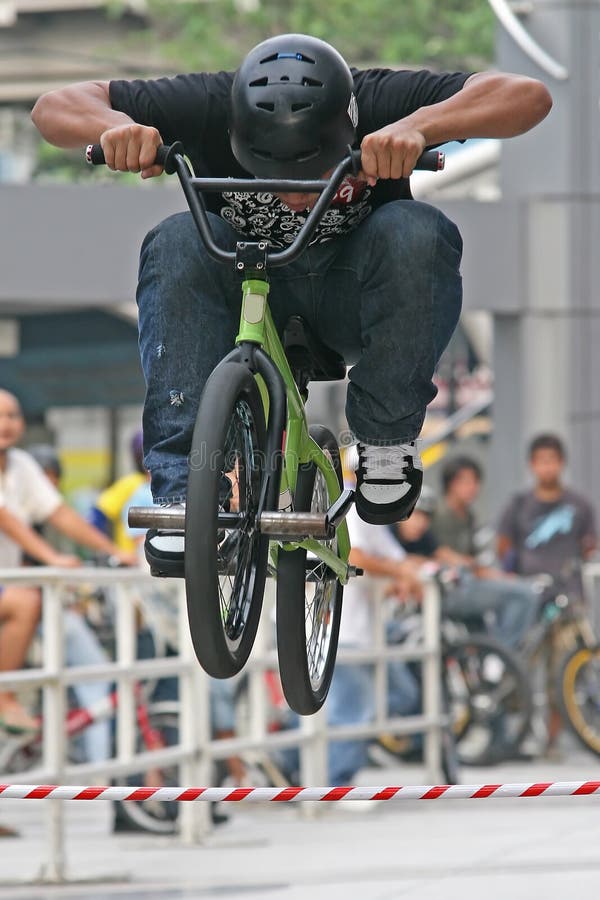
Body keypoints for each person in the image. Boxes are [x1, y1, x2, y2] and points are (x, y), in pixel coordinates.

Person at [31, 33, 552, 573]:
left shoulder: (379, 100)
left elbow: (528, 96)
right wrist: (114, 129)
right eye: (270, 167)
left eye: (318, 167)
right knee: (175, 238)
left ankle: (384, 438)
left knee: (419, 231)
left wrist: (420, 127)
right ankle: (184, 489)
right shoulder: (205, 103)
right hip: (243, 297)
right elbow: (54, 108)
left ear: (349, 125)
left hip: (350, 298)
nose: (297, 191)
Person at [0, 389, 135, 733]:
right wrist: (52, 558)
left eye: (13, 415)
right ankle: (3, 696)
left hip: (8, 585)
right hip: (12, 589)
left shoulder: (20, 465)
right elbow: (6, 518)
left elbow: (60, 513)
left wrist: (111, 550)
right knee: (27, 601)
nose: (7, 423)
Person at [497, 433, 597, 599]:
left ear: (562, 462)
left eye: (552, 460)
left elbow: (590, 546)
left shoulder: (580, 505)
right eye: (542, 461)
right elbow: (503, 547)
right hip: (528, 591)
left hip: (569, 591)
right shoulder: (518, 504)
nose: (547, 467)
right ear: (532, 464)